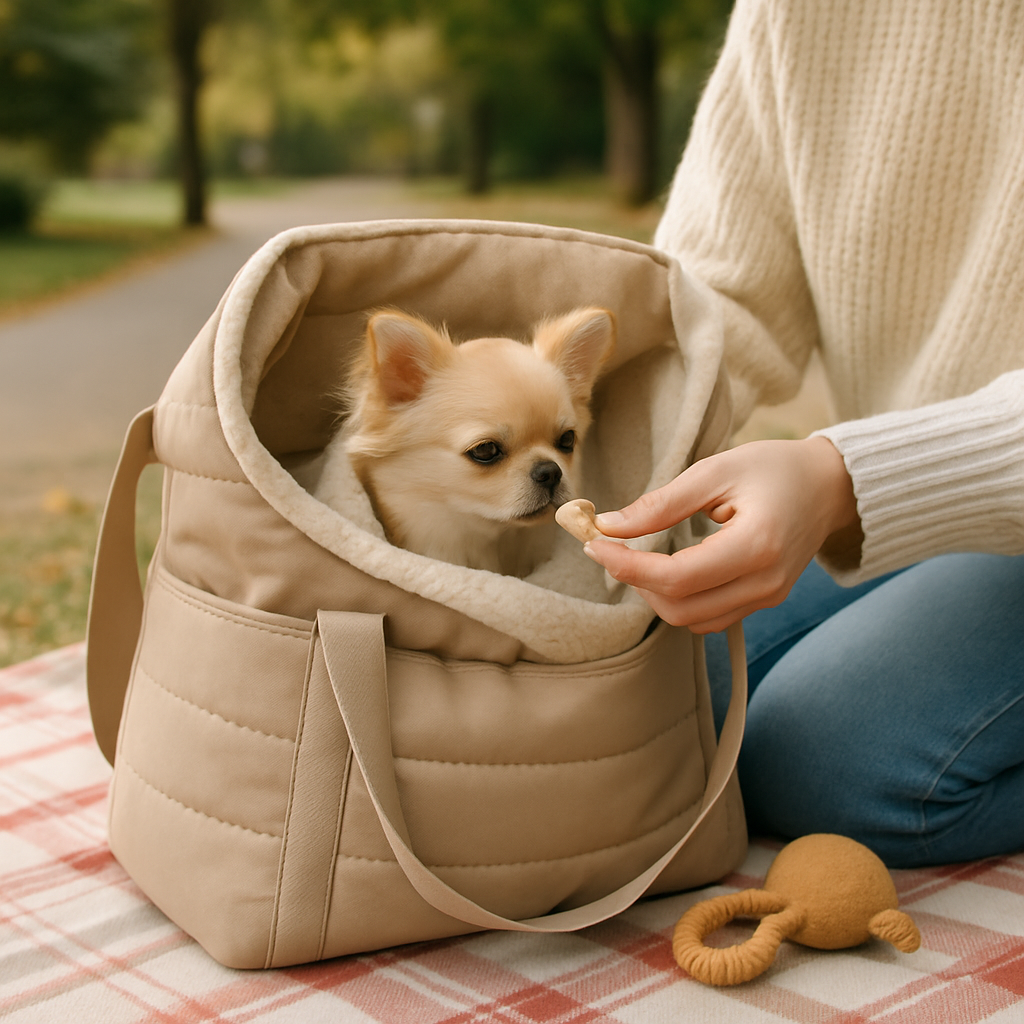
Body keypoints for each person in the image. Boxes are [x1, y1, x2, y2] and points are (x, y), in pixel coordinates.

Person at [583, 0, 1024, 868]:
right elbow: (719, 300)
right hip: (905, 505)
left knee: (832, 759)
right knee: (662, 693)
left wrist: (841, 480)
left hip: (890, 486)